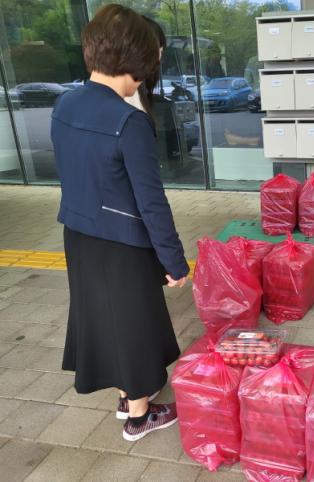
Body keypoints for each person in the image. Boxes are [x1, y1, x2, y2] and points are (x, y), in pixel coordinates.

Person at [50, 4, 189, 442]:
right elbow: (151, 202)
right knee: (134, 323)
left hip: (78, 233)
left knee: (104, 317)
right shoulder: (129, 121)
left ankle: (127, 395)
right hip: (122, 241)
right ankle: (139, 416)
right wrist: (174, 262)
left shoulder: (65, 103)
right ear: (139, 59)